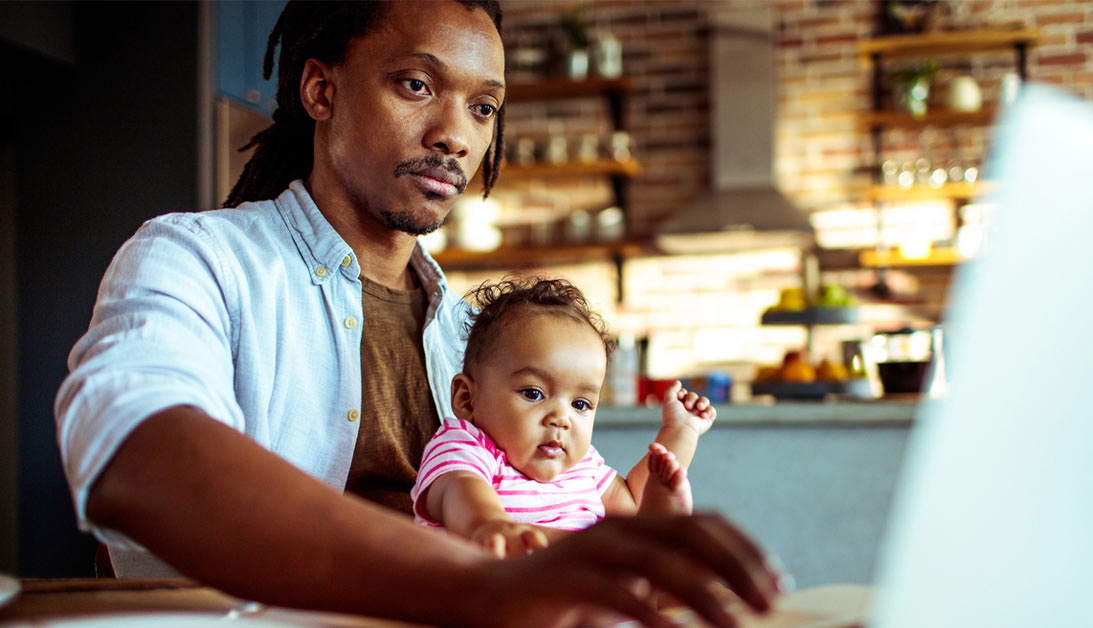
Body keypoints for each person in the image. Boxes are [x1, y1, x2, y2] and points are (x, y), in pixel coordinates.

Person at [53, 1, 784, 626]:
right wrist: (474, 583)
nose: (455, 135)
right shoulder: (197, 258)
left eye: (483, 106)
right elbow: (135, 451)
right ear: (321, 89)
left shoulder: (471, 336)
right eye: (416, 84)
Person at [412, 277, 714, 556]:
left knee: (642, 537)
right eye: (533, 393)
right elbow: (458, 488)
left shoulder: (584, 467)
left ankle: (664, 528)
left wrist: (680, 432)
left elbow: (633, 503)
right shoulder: (467, 448)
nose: (561, 418)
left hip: (584, 592)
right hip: (497, 591)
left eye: (581, 404)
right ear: (467, 399)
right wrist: (488, 525)